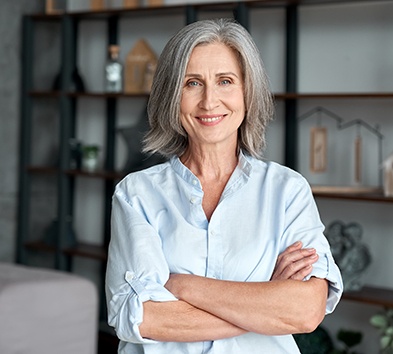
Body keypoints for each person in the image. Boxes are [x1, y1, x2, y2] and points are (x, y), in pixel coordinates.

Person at [105, 18, 343, 353]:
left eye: (225, 81)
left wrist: (182, 285)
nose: (209, 102)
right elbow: (142, 319)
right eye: (192, 83)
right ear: (172, 95)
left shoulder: (287, 191)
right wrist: (266, 302)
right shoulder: (136, 194)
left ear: (248, 91)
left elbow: (305, 311)